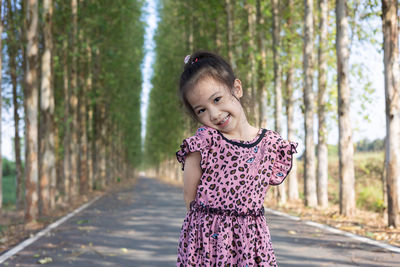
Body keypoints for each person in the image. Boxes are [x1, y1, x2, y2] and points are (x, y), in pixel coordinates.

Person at [175, 51, 297, 266]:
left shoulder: (270, 144)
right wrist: (206, 237)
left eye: (217, 99)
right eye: (202, 110)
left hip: (251, 241)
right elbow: (189, 198)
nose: (214, 113)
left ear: (237, 89)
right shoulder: (205, 142)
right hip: (208, 241)